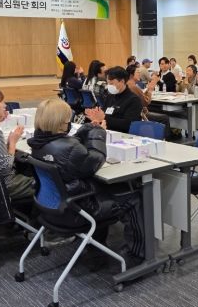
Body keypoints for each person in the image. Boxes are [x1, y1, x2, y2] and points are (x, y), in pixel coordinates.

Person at [27, 98, 144, 262]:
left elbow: (71, 144)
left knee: (103, 188)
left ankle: (96, 246)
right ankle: (138, 254)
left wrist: (89, 127)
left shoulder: (39, 143)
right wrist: (99, 133)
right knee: (134, 198)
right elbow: (96, 159)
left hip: (51, 207)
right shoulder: (69, 148)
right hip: (76, 211)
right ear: (61, 122)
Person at [84, 66, 143, 132]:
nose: (109, 86)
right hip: (106, 131)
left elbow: (128, 124)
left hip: (122, 134)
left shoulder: (134, 100)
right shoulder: (110, 96)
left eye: (111, 83)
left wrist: (104, 118)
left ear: (122, 81)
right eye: (108, 83)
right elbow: (104, 113)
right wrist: (95, 117)